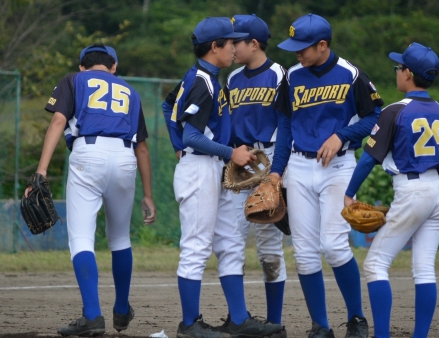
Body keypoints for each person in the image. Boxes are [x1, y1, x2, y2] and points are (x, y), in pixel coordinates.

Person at [162, 17, 286, 338]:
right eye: (229, 43)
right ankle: (189, 324)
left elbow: (167, 105)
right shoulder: (202, 82)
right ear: (214, 47)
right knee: (196, 247)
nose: (234, 48)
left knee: (230, 243)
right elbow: (191, 135)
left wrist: (186, 147)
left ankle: (239, 320)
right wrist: (227, 153)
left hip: (212, 166)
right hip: (200, 167)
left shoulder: (208, 78)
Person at [268, 13, 384, 338]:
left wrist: (342, 135)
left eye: (303, 48)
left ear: (322, 45)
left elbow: (376, 117)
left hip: (338, 167)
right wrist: (276, 172)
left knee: (334, 246)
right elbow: (285, 126)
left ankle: (357, 319)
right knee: (305, 254)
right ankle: (321, 326)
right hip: (298, 167)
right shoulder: (292, 76)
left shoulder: (350, 74)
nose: (297, 54)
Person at [29, 43, 156, 337]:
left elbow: (58, 120)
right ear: (114, 67)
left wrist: (41, 171)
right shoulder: (130, 91)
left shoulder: (74, 80)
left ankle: (92, 316)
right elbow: (142, 148)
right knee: (120, 238)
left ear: (82, 67)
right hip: (125, 158)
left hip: (88, 154)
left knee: (82, 239)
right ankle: (121, 309)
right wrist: (148, 194)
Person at [343, 42, 439, 338]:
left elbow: (368, 158)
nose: (397, 72)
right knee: (424, 268)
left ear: (408, 73)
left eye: (399, 67)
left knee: (376, 264)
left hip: (413, 190)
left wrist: (349, 194)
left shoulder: (395, 110)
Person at [225, 15, 287, 329]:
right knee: (231, 239)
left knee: (269, 246)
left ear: (253, 43)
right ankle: (237, 317)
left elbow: (288, 125)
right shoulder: (233, 78)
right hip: (240, 162)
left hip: (271, 158)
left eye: (236, 41)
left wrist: (280, 171)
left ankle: (274, 323)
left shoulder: (280, 75)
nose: (231, 46)